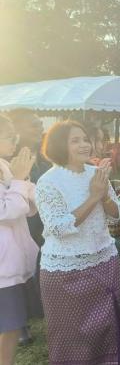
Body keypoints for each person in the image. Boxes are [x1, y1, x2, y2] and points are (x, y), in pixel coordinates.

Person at [35, 121, 120, 365]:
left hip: (104, 258)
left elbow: (117, 214)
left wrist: (104, 194)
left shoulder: (96, 174)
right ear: (59, 146)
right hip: (64, 267)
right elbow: (59, 227)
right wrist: (94, 196)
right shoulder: (48, 182)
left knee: (107, 325)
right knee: (70, 331)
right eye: (75, 140)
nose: (84, 145)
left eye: (85, 139)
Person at [0, 115, 41, 365]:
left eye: (15, 135)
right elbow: (5, 211)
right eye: (8, 136)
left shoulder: (6, 167)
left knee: (13, 324)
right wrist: (18, 181)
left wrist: (25, 183)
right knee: (7, 325)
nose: (15, 141)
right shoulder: (9, 171)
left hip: (13, 264)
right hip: (2, 268)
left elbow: (27, 208)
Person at [8, 110, 48, 336]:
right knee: (18, 270)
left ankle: (34, 310)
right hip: (19, 222)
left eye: (40, 124)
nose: (40, 129)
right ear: (18, 130)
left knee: (37, 265)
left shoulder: (43, 155)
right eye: (34, 125)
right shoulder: (9, 160)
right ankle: (19, 324)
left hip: (42, 220)